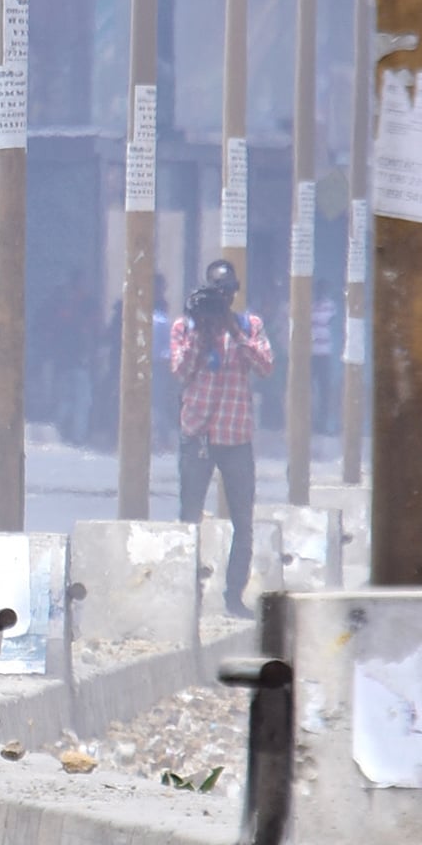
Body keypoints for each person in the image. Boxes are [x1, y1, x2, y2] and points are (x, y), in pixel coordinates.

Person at [170, 258, 275, 620]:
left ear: (234, 295)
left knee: (242, 521)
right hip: (197, 431)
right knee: (188, 518)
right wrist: (202, 333)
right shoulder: (186, 326)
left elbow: (265, 366)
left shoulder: (250, 325)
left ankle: (233, 597)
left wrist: (234, 331)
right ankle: (186, 597)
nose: (222, 301)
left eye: (227, 294)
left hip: (235, 434)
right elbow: (180, 371)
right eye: (217, 295)